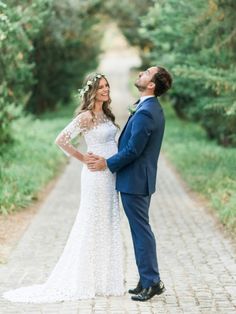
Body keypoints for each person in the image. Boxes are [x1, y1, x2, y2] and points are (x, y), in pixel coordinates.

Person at [2, 73, 124, 303]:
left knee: (106, 221)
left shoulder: (107, 114)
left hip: (110, 175)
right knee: (91, 222)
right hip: (95, 176)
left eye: (107, 86)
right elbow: (61, 139)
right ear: (91, 92)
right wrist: (82, 158)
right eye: (100, 88)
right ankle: (83, 279)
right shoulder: (87, 116)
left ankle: (103, 279)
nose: (105, 90)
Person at [87, 66, 172, 301]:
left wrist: (107, 163)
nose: (141, 73)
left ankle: (152, 282)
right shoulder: (147, 106)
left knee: (141, 231)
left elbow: (134, 150)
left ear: (152, 84)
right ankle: (146, 279)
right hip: (137, 180)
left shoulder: (146, 112)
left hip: (134, 181)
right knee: (140, 231)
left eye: (146, 72)